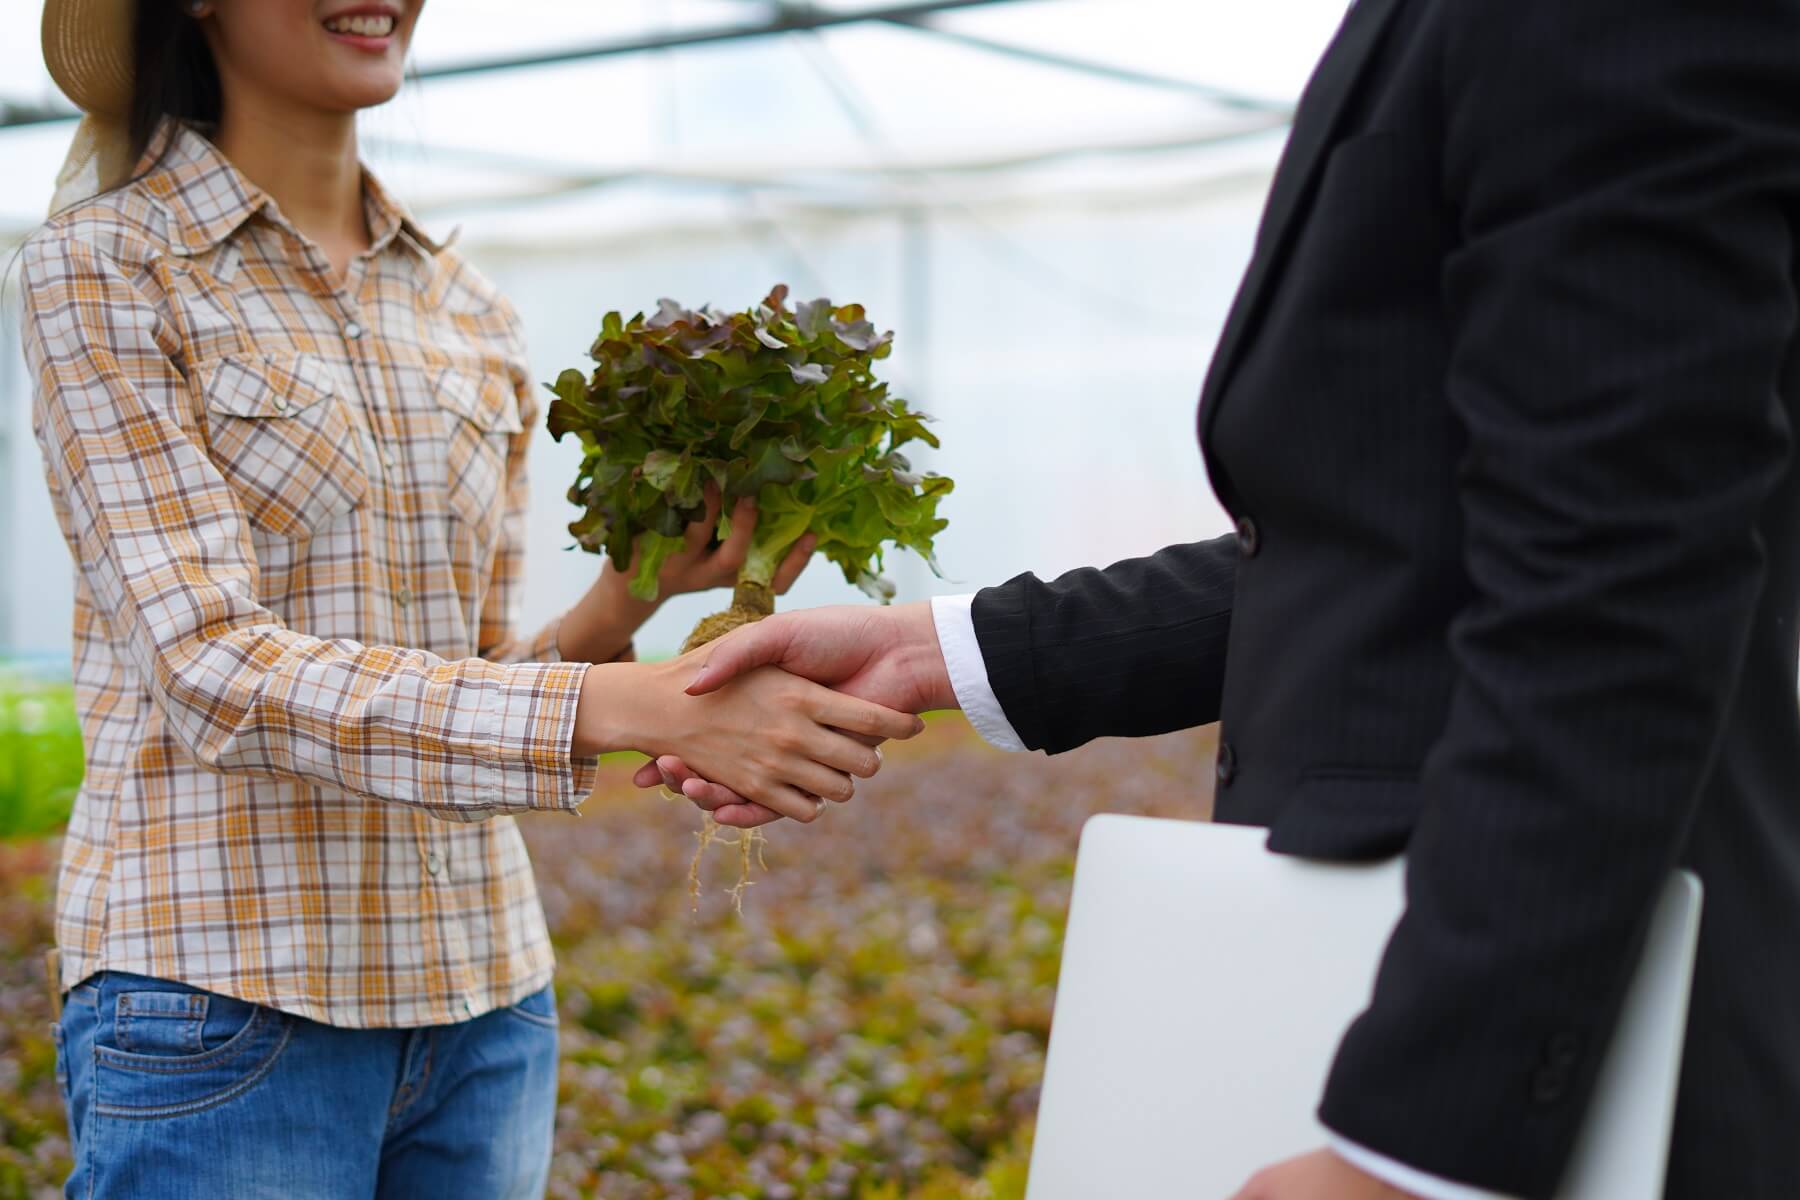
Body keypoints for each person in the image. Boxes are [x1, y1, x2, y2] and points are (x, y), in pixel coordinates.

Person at [643, 0, 1800, 1196]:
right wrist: (942, 650)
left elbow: (1615, 586)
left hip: (1544, 1084)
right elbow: (1397, 548)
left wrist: (1411, 1151)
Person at [20, 1, 922, 1195]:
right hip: (223, 996)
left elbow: (478, 663)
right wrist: (625, 702)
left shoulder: (468, 309)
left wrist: (627, 601)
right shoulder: (106, 267)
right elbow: (209, 667)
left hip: (483, 992)